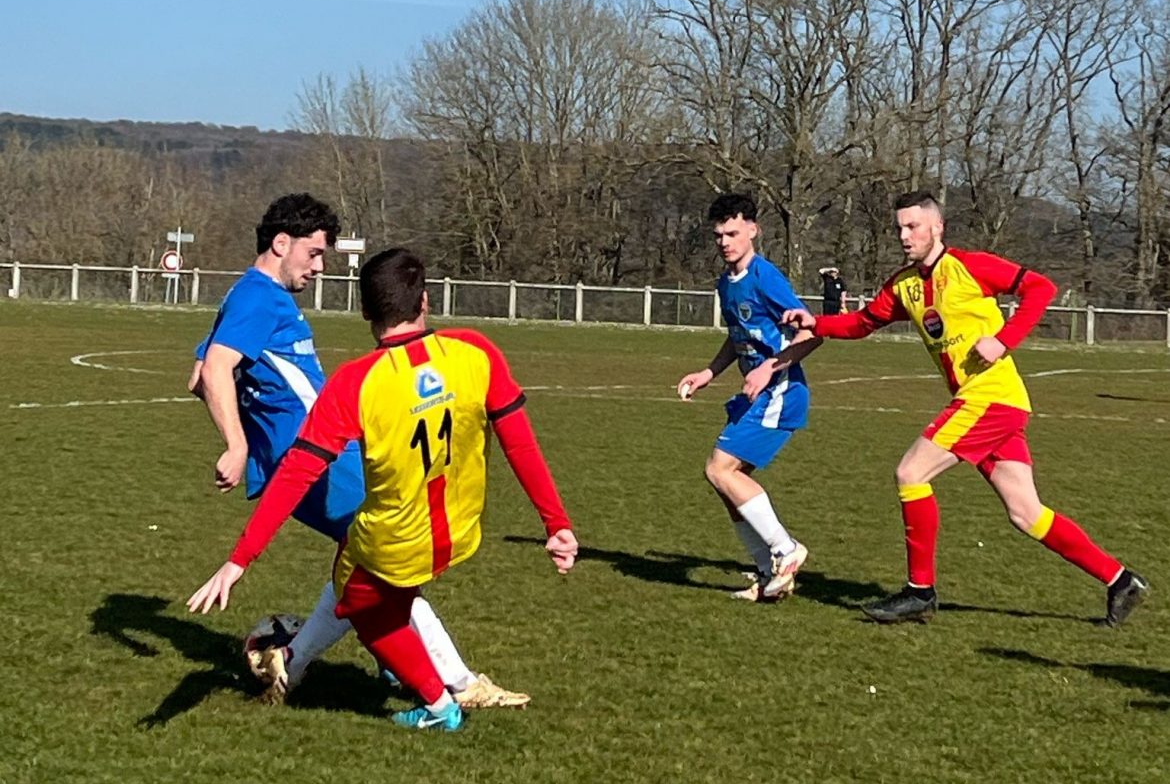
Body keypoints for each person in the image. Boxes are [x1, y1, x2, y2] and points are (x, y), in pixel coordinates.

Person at [188, 247, 579, 732]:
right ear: (425, 301)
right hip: (461, 530)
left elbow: (296, 473)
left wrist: (240, 559)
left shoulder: (356, 383)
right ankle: (366, 670)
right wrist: (556, 525)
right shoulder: (476, 351)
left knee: (359, 603)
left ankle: (440, 705)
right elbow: (520, 443)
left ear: (365, 312)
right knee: (371, 591)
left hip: (395, 539)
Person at [782, 190, 1148, 625]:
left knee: (911, 473)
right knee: (1026, 513)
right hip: (993, 404)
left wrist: (1003, 340)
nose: (904, 235)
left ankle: (920, 593)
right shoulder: (904, 285)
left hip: (989, 397)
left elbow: (1041, 288)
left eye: (913, 226)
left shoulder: (970, 266)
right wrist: (816, 322)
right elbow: (863, 323)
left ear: (937, 227)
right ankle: (1121, 580)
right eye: (899, 228)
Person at [676, 194, 821, 602]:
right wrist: (708, 373)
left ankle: (786, 550)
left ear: (753, 230)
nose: (725, 242)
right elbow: (738, 337)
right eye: (719, 235)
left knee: (719, 469)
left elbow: (812, 333)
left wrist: (768, 368)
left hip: (781, 391)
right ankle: (768, 573)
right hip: (756, 394)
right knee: (728, 485)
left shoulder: (765, 277)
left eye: (733, 233)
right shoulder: (726, 283)